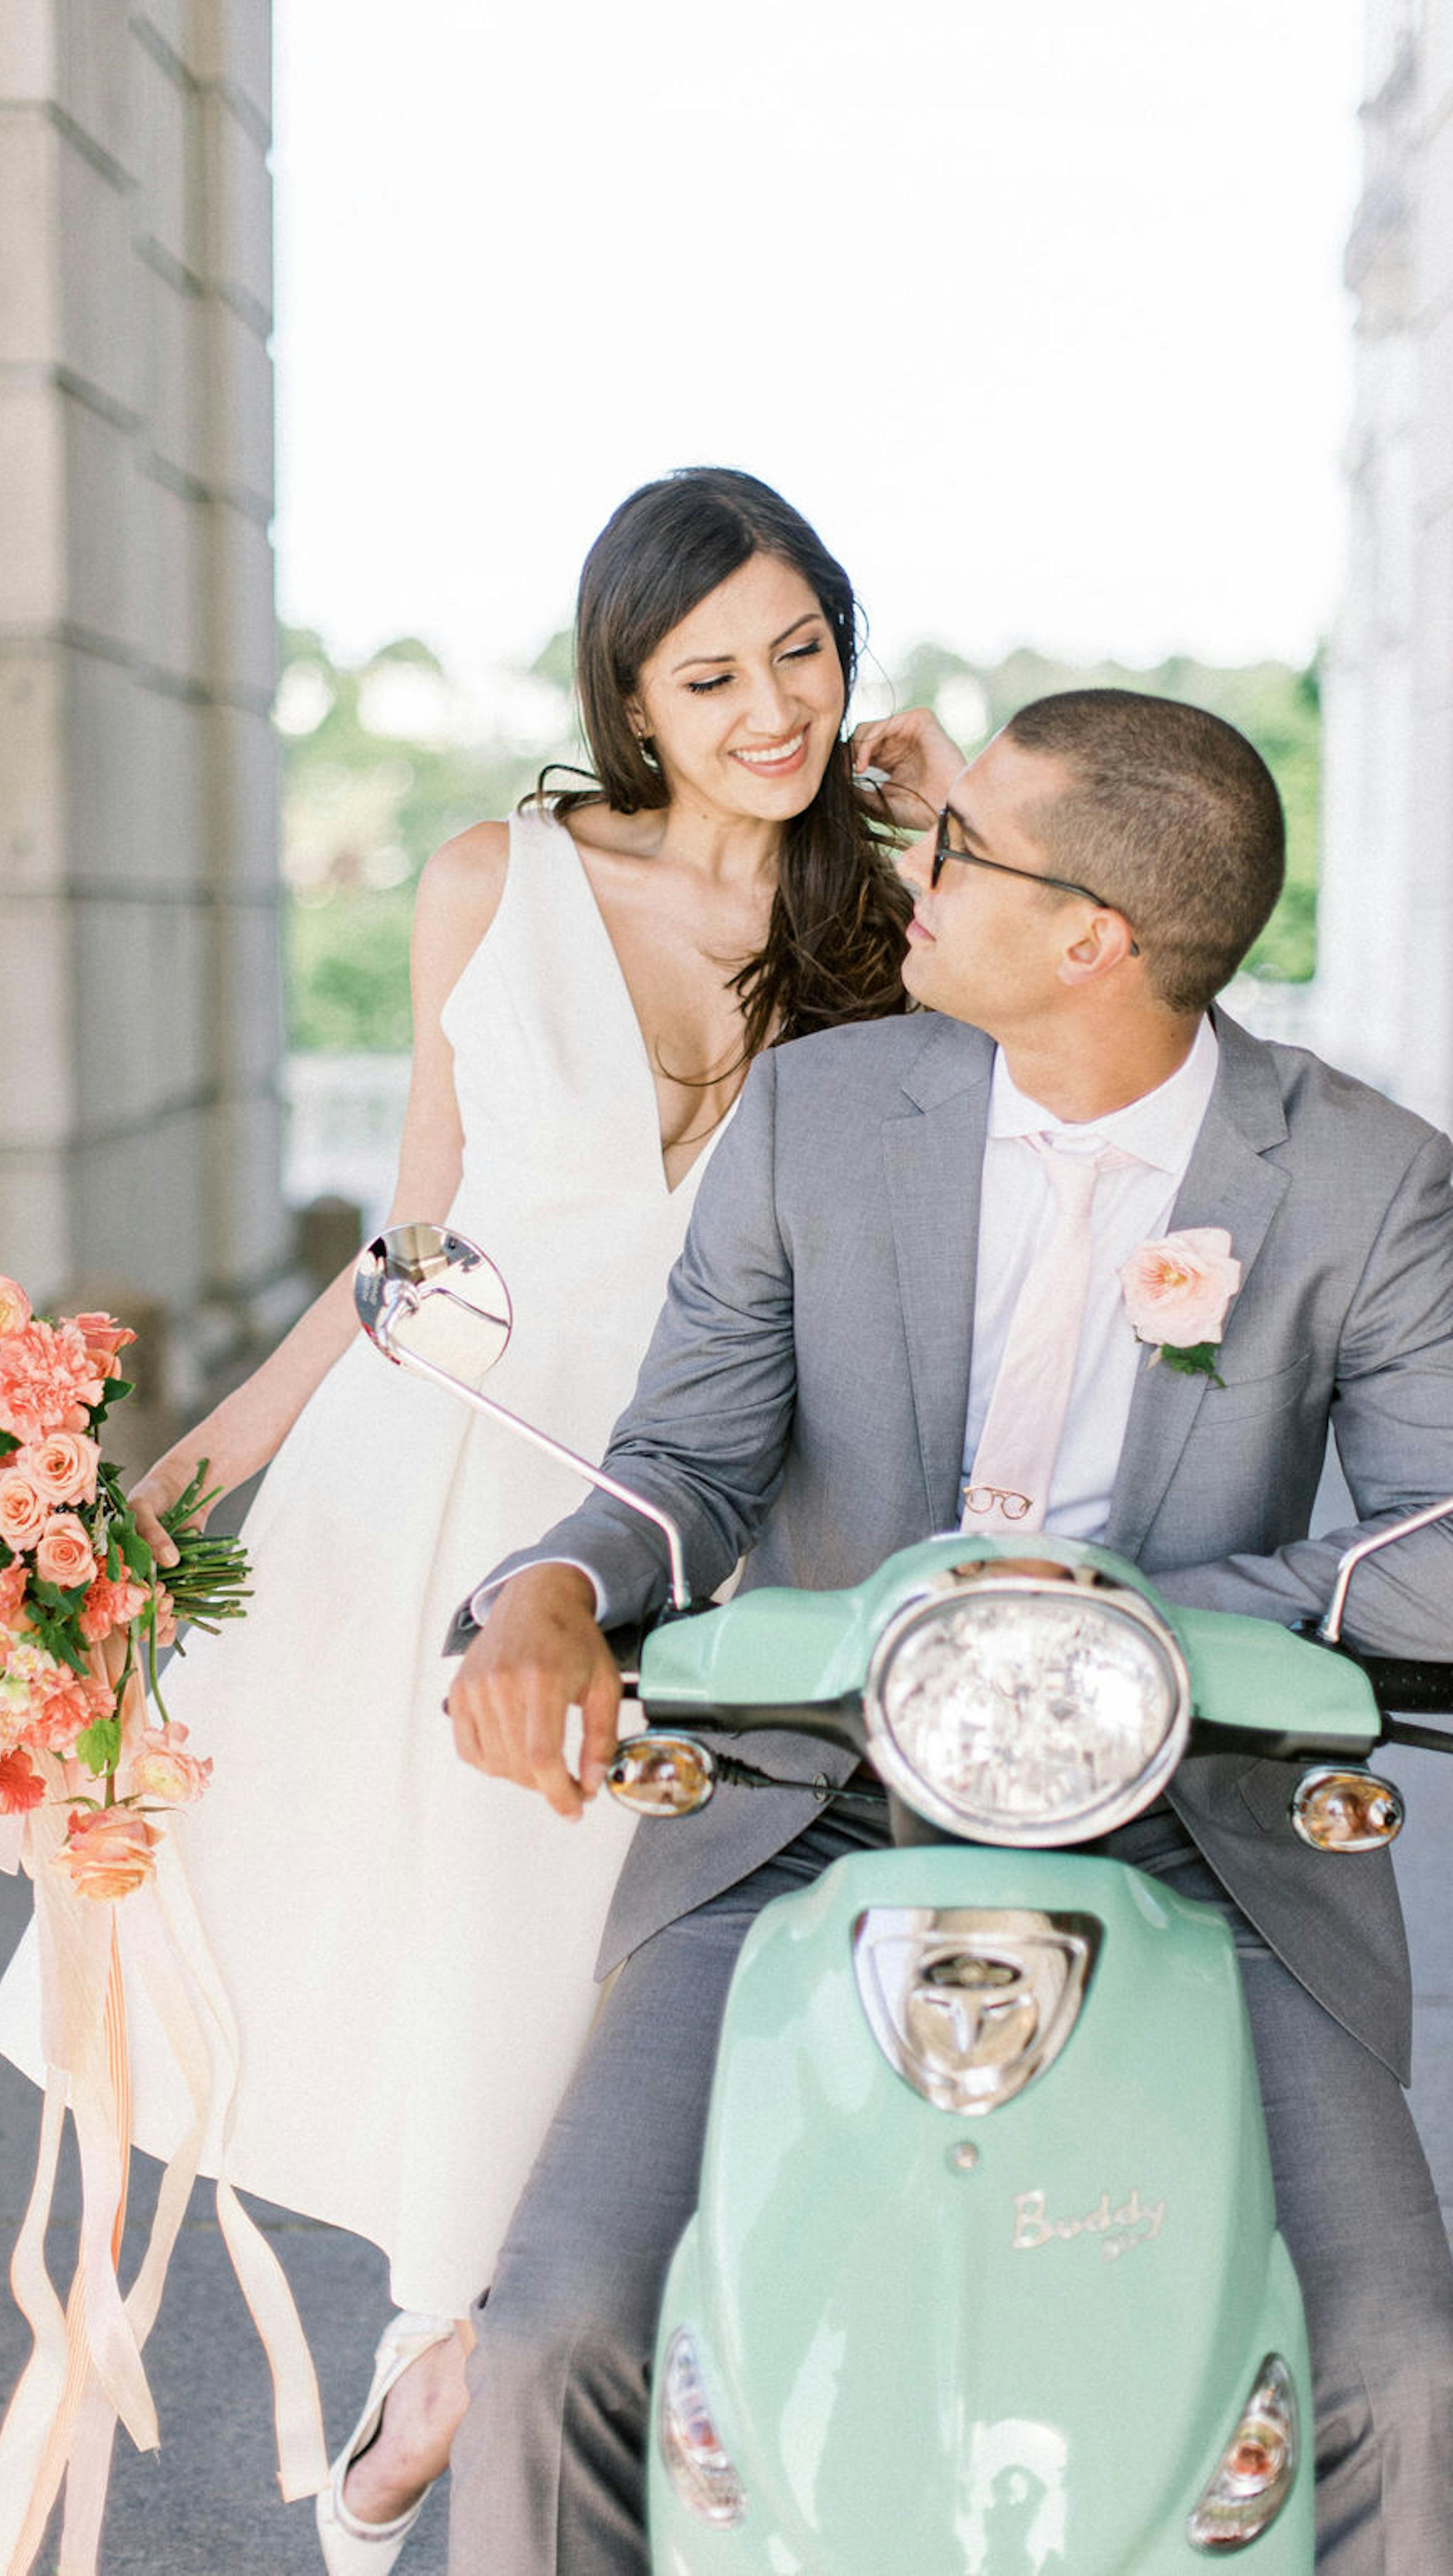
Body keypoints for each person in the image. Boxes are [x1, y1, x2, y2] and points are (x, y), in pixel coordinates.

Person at [0, 466, 961, 2569]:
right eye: (710, 675)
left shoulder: (891, 924)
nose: (771, 709)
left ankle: (457, 2375)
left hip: (718, 1511)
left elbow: (1060, 1064)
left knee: (642, 1992)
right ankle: (451, 2351)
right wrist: (183, 1482)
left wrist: (947, 814)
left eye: (802, 652)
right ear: (631, 697)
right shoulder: (489, 881)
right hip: (451, 1477)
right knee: (483, 1960)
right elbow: (409, 1245)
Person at [449, 687, 1453, 2574]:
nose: (916, 860)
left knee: (1401, 2364)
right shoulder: (819, 1111)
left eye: (965, 846)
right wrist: (555, 1588)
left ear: (1093, 941)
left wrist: (1080, 1632)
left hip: (1207, 1822)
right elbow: (688, 1457)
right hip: (808, 1799)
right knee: (559, 2331)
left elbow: (1441, 1545)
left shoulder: (1366, 1176)